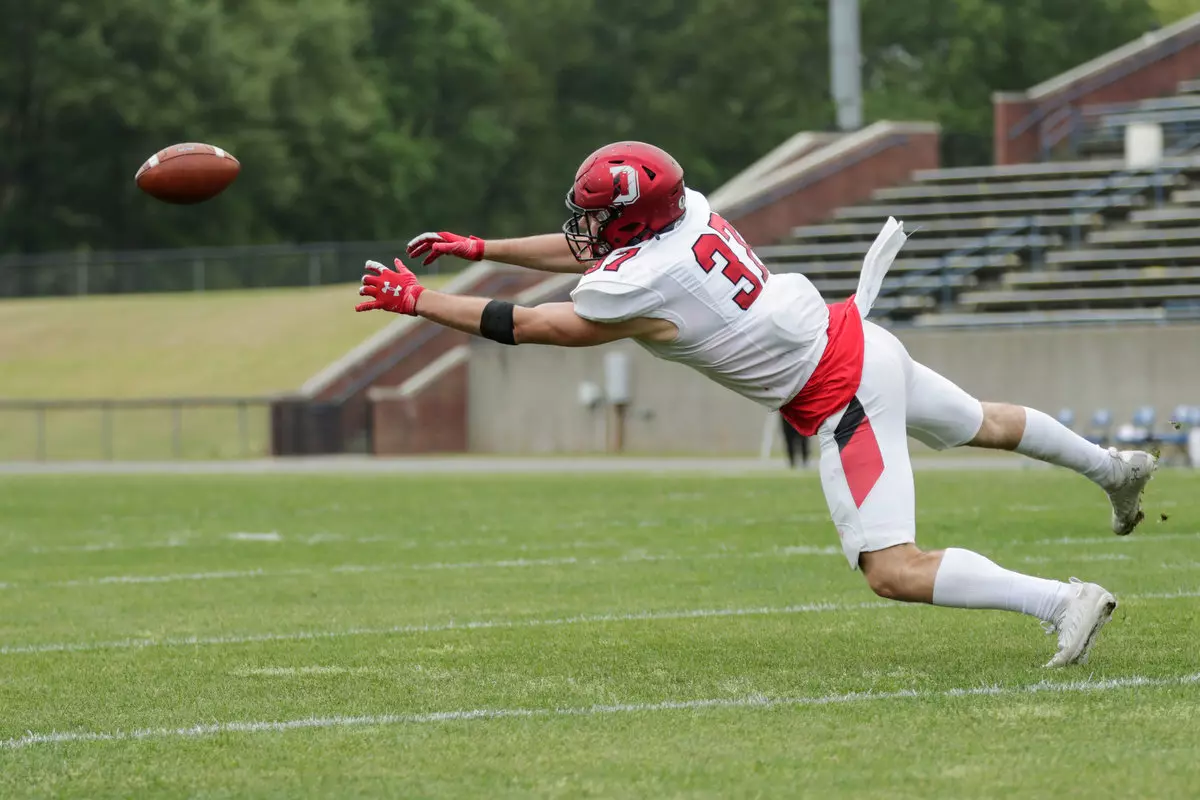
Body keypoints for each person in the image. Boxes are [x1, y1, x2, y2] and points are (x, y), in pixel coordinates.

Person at [357, 141, 1156, 668]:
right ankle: (1113, 469)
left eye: (598, 214)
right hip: (855, 336)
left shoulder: (643, 279)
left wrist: (422, 302)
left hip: (840, 390)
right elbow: (589, 248)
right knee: (981, 421)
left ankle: (1062, 601)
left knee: (892, 569)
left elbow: (533, 324)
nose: (584, 225)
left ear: (632, 219)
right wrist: (482, 249)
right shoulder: (687, 210)